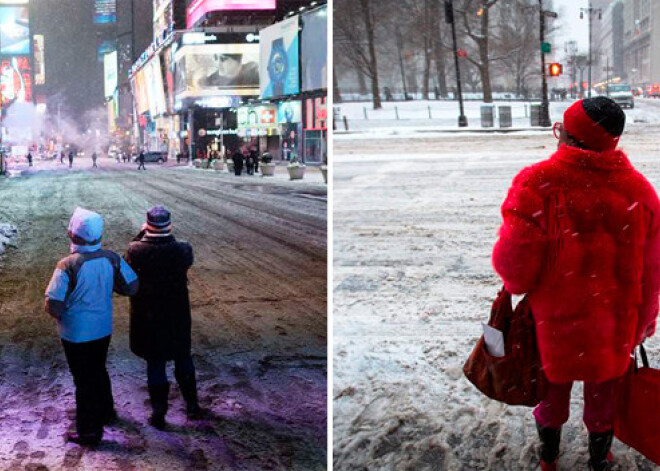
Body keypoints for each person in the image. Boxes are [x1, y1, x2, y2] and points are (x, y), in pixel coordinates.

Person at [492, 97, 660, 471]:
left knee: (552, 390)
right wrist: (645, 321)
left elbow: (515, 268)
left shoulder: (537, 184)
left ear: (568, 137)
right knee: (604, 393)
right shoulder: (640, 193)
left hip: (554, 321)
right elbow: (653, 271)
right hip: (613, 325)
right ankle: (599, 457)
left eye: (560, 131)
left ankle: (549, 457)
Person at [44, 207, 139, 445]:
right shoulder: (111, 258)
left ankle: (89, 431)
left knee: (83, 380)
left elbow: (53, 305)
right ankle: (106, 411)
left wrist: (64, 311)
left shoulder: (67, 265)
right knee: (98, 369)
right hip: (102, 328)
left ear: (73, 234)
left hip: (75, 333)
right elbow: (132, 286)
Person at [125, 206, 201, 429]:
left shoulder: (135, 250)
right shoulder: (183, 249)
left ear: (147, 226)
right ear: (169, 225)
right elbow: (183, 258)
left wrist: (141, 235)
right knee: (183, 358)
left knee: (155, 363)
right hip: (177, 313)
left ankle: (159, 411)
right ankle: (193, 406)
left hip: (148, 315)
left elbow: (127, 265)